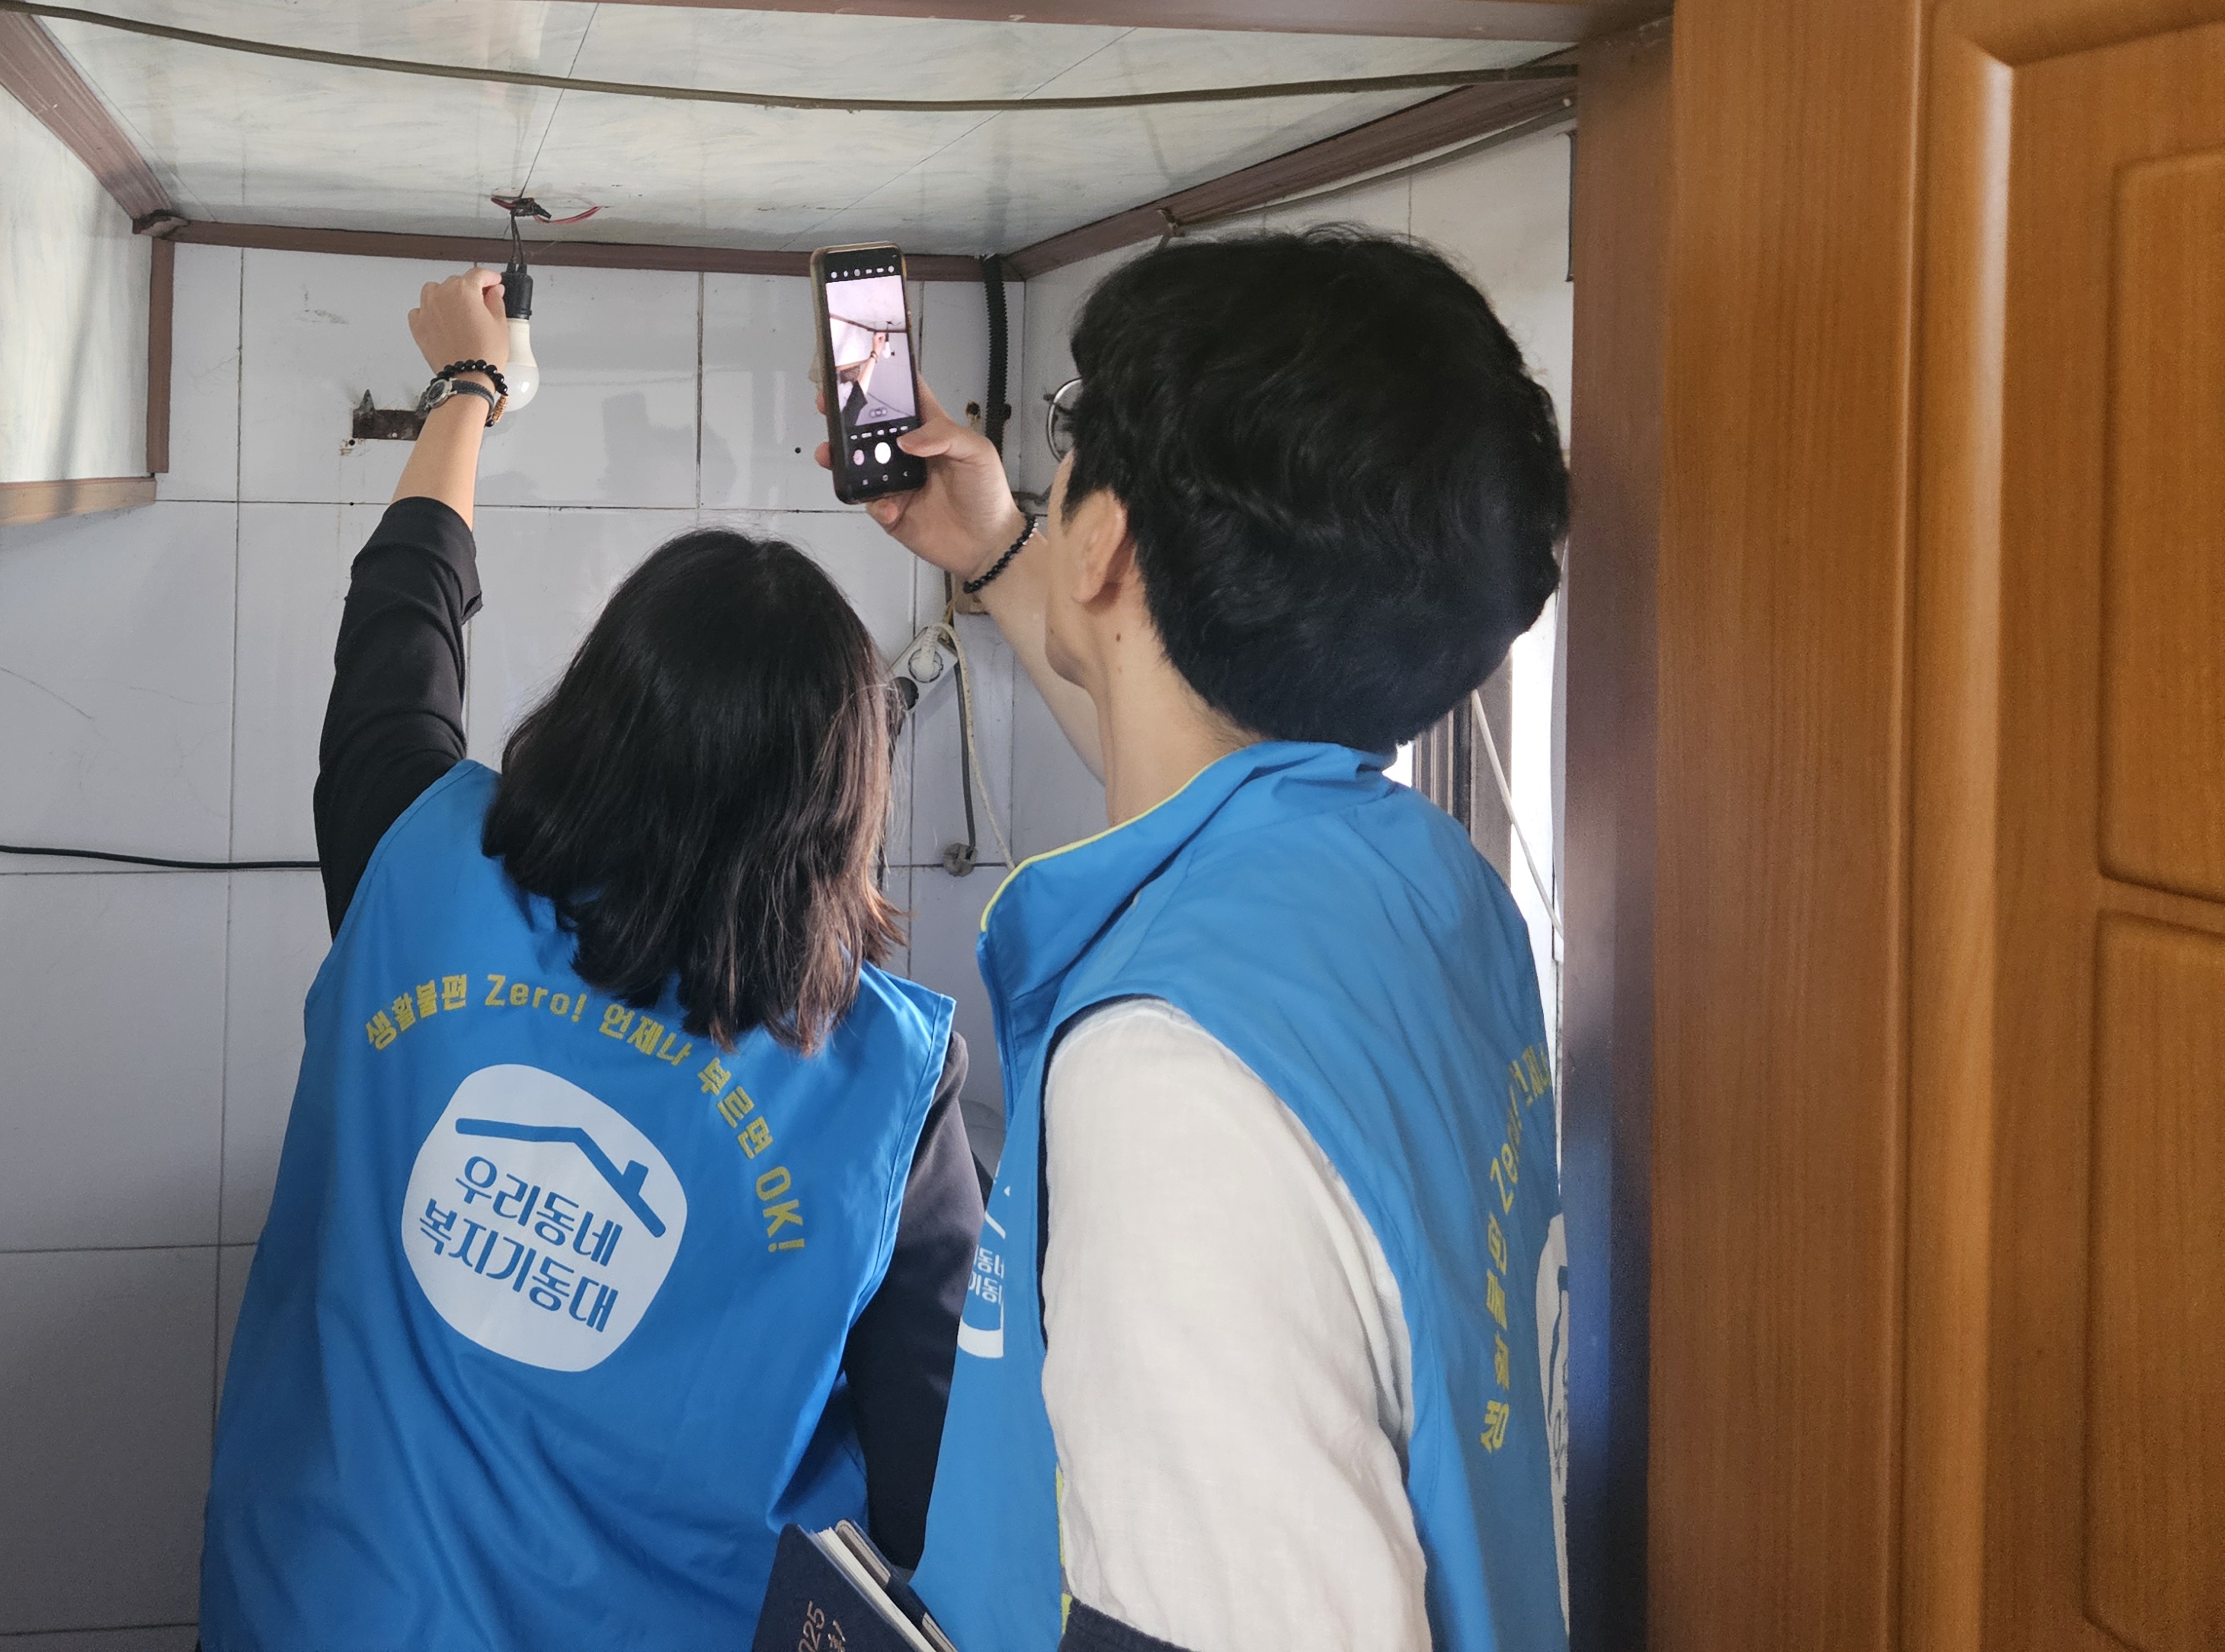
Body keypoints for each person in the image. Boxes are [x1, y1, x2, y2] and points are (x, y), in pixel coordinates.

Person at [203, 267, 984, 1652]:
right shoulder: (888, 1086)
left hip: (323, 1614)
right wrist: (1003, 555)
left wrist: (469, 390)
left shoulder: (418, 866)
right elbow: (941, 1488)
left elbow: (398, 627)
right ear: (845, 798)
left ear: (595, 710)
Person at [843, 229, 1572, 1652]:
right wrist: (1001, 549)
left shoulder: (1171, 1085)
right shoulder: (1433, 885)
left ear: (1108, 543)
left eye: (1070, 450)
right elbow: (1196, 768)